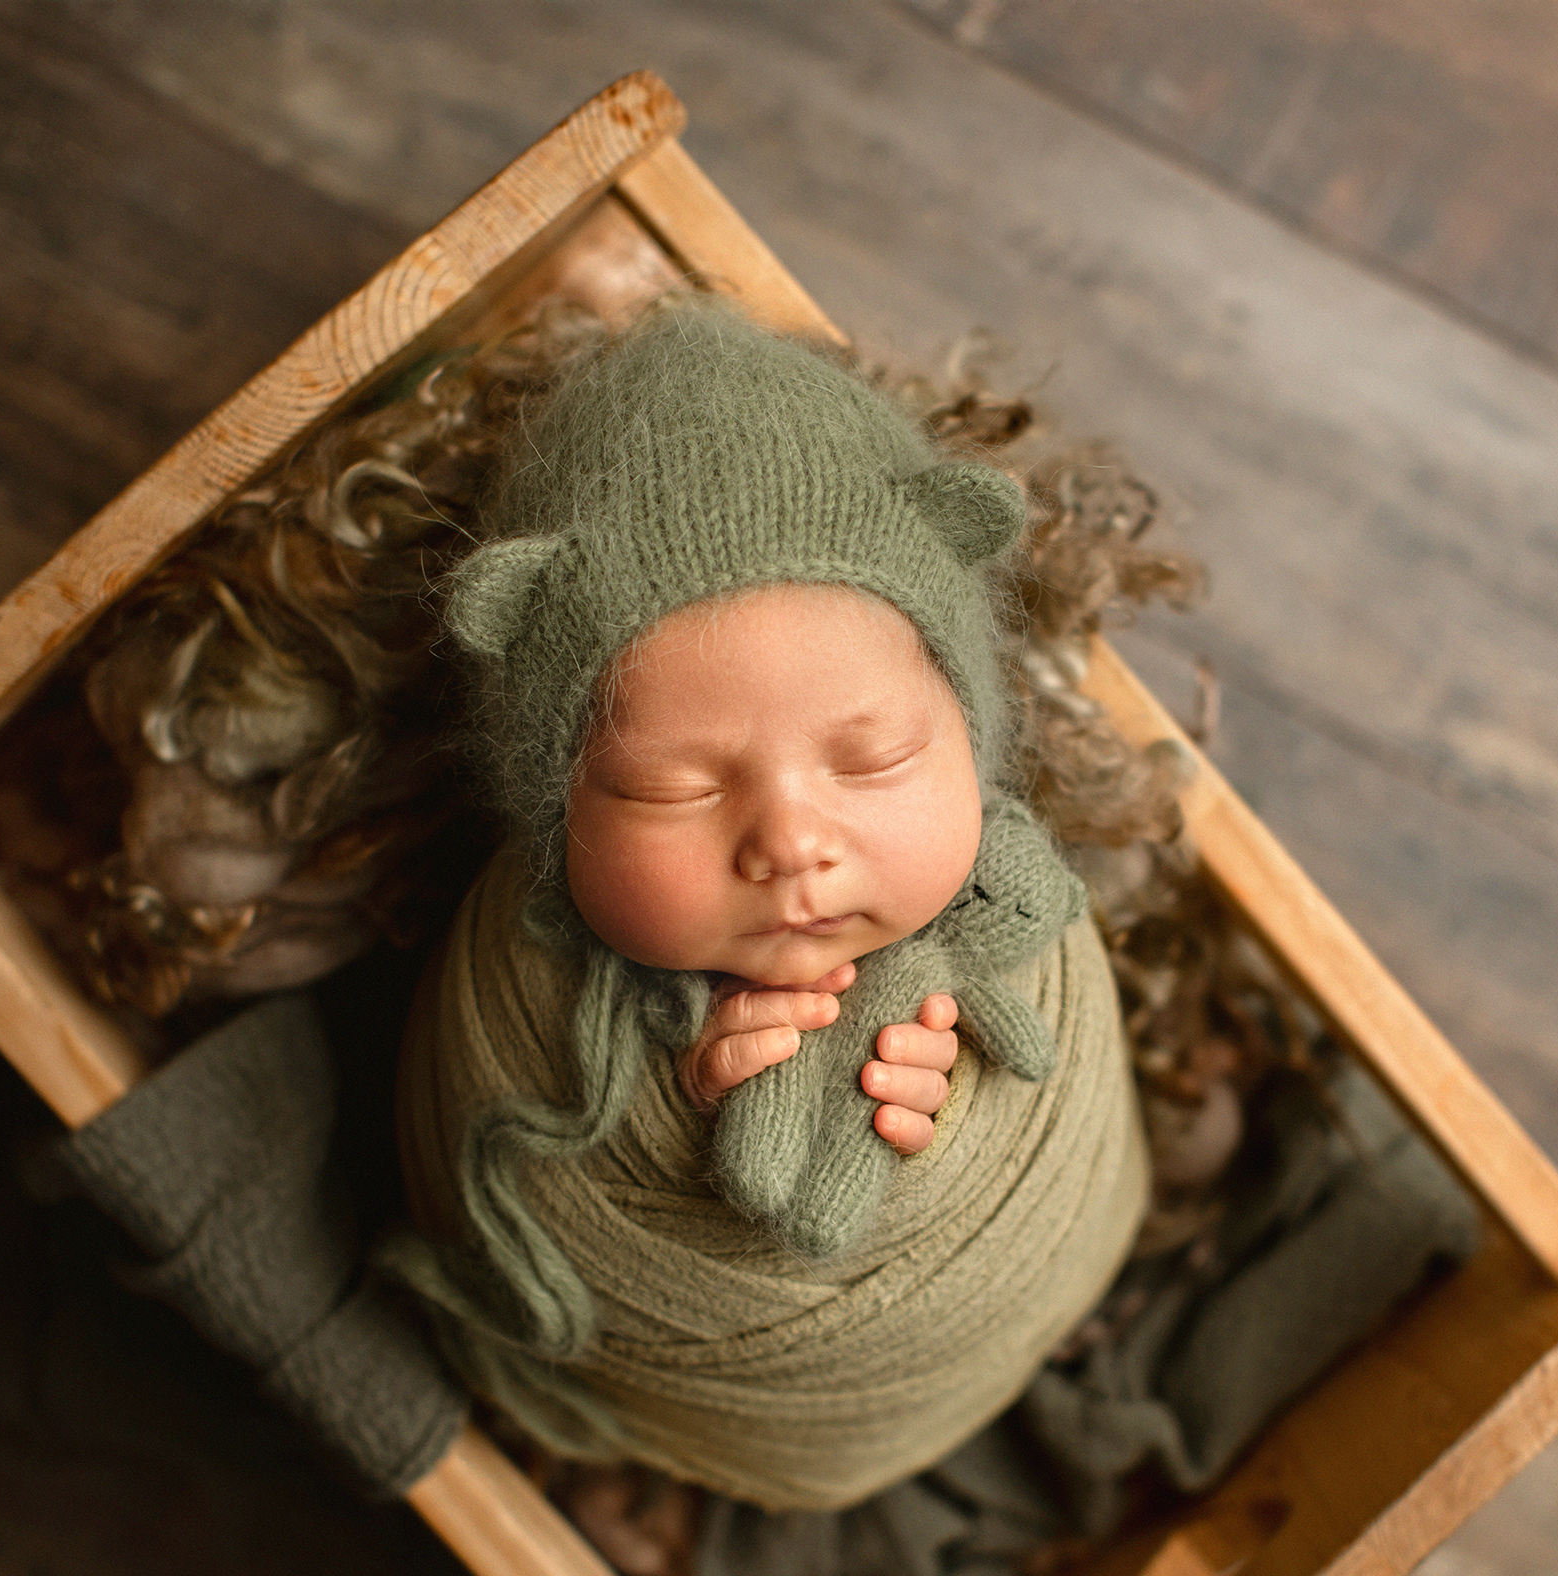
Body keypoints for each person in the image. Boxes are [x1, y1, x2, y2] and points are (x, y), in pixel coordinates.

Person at [385, 296, 1149, 1512]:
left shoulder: (1034, 925)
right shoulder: (509, 987)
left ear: (970, 739)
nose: (791, 838)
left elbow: (1057, 1090)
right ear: (553, 812)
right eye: (669, 786)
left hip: (1005, 1297)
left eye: (873, 759)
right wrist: (673, 1095)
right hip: (675, 1384)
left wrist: (946, 1120)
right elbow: (494, 1133)